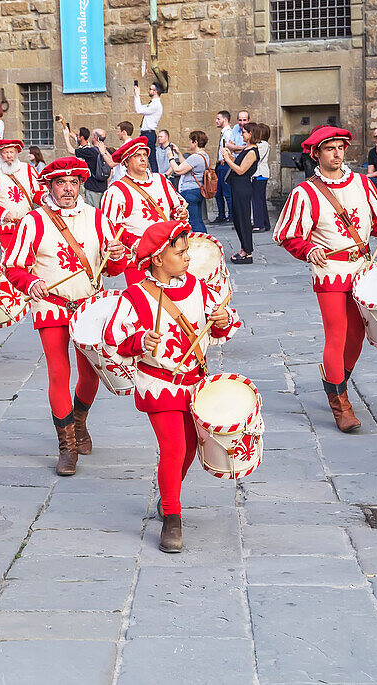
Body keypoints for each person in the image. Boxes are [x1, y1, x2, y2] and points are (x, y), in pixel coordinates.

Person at [103, 220, 240, 552]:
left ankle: (168, 496)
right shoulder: (135, 295)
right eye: (180, 252)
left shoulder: (196, 285)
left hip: (194, 383)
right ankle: (173, 520)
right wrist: (139, 340)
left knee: (191, 447)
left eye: (187, 251)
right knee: (174, 447)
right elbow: (112, 338)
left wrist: (223, 321)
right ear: (158, 258)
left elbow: (220, 323)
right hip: (159, 383)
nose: (187, 258)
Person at [273, 126, 377, 432]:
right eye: (329, 148)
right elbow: (288, 235)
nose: (336, 153)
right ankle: (341, 403)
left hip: (363, 270)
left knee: (357, 335)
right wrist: (309, 250)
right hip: (330, 271)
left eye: (340, 148)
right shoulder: (305, 192)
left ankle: (335, 381)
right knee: (337, 334)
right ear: (316, 153)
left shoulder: (362, 183)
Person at [4, 156, 128, 476]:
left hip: (89, 306)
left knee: (90, 376)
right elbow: (14, 266)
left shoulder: (96, 217)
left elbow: (111, 268)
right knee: (59, 373)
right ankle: (67, 446)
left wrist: (116, 257)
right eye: (61, 183)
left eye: (74, 183)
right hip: (52, 307)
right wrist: (31, 283)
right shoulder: (33, 221)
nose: (68, 189)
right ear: (50, 186)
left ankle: (79, 420)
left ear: (80, 186)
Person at [100, 136, 189, 284]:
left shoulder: (161, 180)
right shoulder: (116, 191)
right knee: (145, 302)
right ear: (126, 162)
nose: (142, 159)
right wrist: (137, 244)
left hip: (168, 253)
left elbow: (176, 206)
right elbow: (110, 227)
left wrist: (181, 212)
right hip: (139, 259)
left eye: (144, 155)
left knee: (174, 300)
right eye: (137, 155)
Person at [0, 138, 44, 250]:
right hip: (4, 229)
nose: (9, 156)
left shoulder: (27, 169)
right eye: (5, 152)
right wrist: (2, 213)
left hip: (27, 225)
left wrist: (44, 199)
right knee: (8, 260)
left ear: (16, 153)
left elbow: (36, 193)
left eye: (11, 152)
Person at [220, 122, 260, 264]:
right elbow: (237, 163)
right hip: (237, 186)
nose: (242, 134)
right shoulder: (246, 149)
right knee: (238, 219)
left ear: (251, 134)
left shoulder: (252, 151)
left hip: (242, 186)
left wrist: (226, 158)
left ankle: (247, 251)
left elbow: (240, 170)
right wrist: (229, 156)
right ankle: (244, 248)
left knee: (243, 219)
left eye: (244, 132)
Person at [59, 121, 110, 208]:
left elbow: (71, 150)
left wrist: (66, 137)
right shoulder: (107, 151)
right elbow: (111, 169)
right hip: (104, 188)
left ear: (95, 138)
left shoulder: (90, 151)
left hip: (92, 188)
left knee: (92, 214)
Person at [169, 130, 210, 233]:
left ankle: (201, 244)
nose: (189, 143)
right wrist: (178, 153)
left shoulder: (195, 157)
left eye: (190, 141)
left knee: (194, 222)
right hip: (198, 190)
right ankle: (205, 241)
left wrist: (171, 158)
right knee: (199, 220)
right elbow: (186, 166)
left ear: (195, 142)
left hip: (190, 191)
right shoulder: (204, 156)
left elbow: (178, 170)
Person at [212, 111, 242, 223]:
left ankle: (231, 215)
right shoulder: (224, 132)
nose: (216, 121)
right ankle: (221, 215)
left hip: (225, 164)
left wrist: (227, 158)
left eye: (218, 119)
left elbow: (232, 148)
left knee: (227, 192)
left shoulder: (228, 133)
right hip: (221, 164)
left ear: (225, 119)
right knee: (218, 192)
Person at [133, 81, 163, 173]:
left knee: (150, 158)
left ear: (155, 91)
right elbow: (139, 108)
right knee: (146, 156)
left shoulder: (156, 104)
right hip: (146, 133)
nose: (149, 91)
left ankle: (155, 176)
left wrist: (137, 95)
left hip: (148, 134)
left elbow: (139, 110)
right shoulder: (152, 103)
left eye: (151, 89)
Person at [251, 123, 272, 232]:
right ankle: (265, 223)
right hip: (262, 174)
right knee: (261, 199)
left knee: (257, 200)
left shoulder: (262, 145)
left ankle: (258, 224)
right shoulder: (265, 144)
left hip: (259, 174)